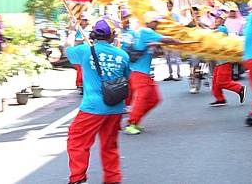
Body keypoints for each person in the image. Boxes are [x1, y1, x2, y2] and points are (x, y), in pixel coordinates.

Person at [65, 18, 130, 184]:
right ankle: (113, 178)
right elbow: (127, 78)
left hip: (92, 108)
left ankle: (78, 178)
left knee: (77, 140)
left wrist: (72, 31)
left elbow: (67, 50)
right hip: (115, 107)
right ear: (112, 36)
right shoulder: (122, 55)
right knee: (110, 145)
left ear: (93, 34)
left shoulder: (86, 51)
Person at [124, 12, 183, 135]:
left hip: (142, 73)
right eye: (155, 21)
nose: (157, 24)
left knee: (154, 99)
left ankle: (136, 119)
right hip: (139, 73)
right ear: (149, 22)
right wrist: (175, 40)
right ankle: (131, 123)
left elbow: (156, 52)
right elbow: (165, 39)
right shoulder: (146, 32)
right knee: (141, 99)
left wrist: (159, 46)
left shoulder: (144, 33)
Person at [210, 10, 247, 106]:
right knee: (215, 83)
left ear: (222, 20)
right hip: (219, 60)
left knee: (223, 82)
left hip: (224, 60)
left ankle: (239, 88)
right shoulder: (216, 28)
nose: (215, 19)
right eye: (215, 17)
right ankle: (220, 99)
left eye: (217, 18)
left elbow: (213, 36)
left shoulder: (222, 29)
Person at [72, 12, 91, 94]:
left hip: (87, 51)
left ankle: (84, 84)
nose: (85, 22)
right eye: (84, 20)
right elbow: (75, 41)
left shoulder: (89, 30)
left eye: (86, 20)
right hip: (79, 51)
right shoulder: (78, 30)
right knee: (80, 69)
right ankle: (80, 84)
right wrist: (84, 39)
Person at [163, 0, 182, 81]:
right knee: (167, 58)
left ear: (172, 6)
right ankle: (170, 73)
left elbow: (178, 27)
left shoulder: (176, 16)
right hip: (166, 39)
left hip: (174, 38)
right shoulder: (164, 15)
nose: (169, 7)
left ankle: (178, 74)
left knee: (176, 58)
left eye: (170, 5)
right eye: (167, 6)